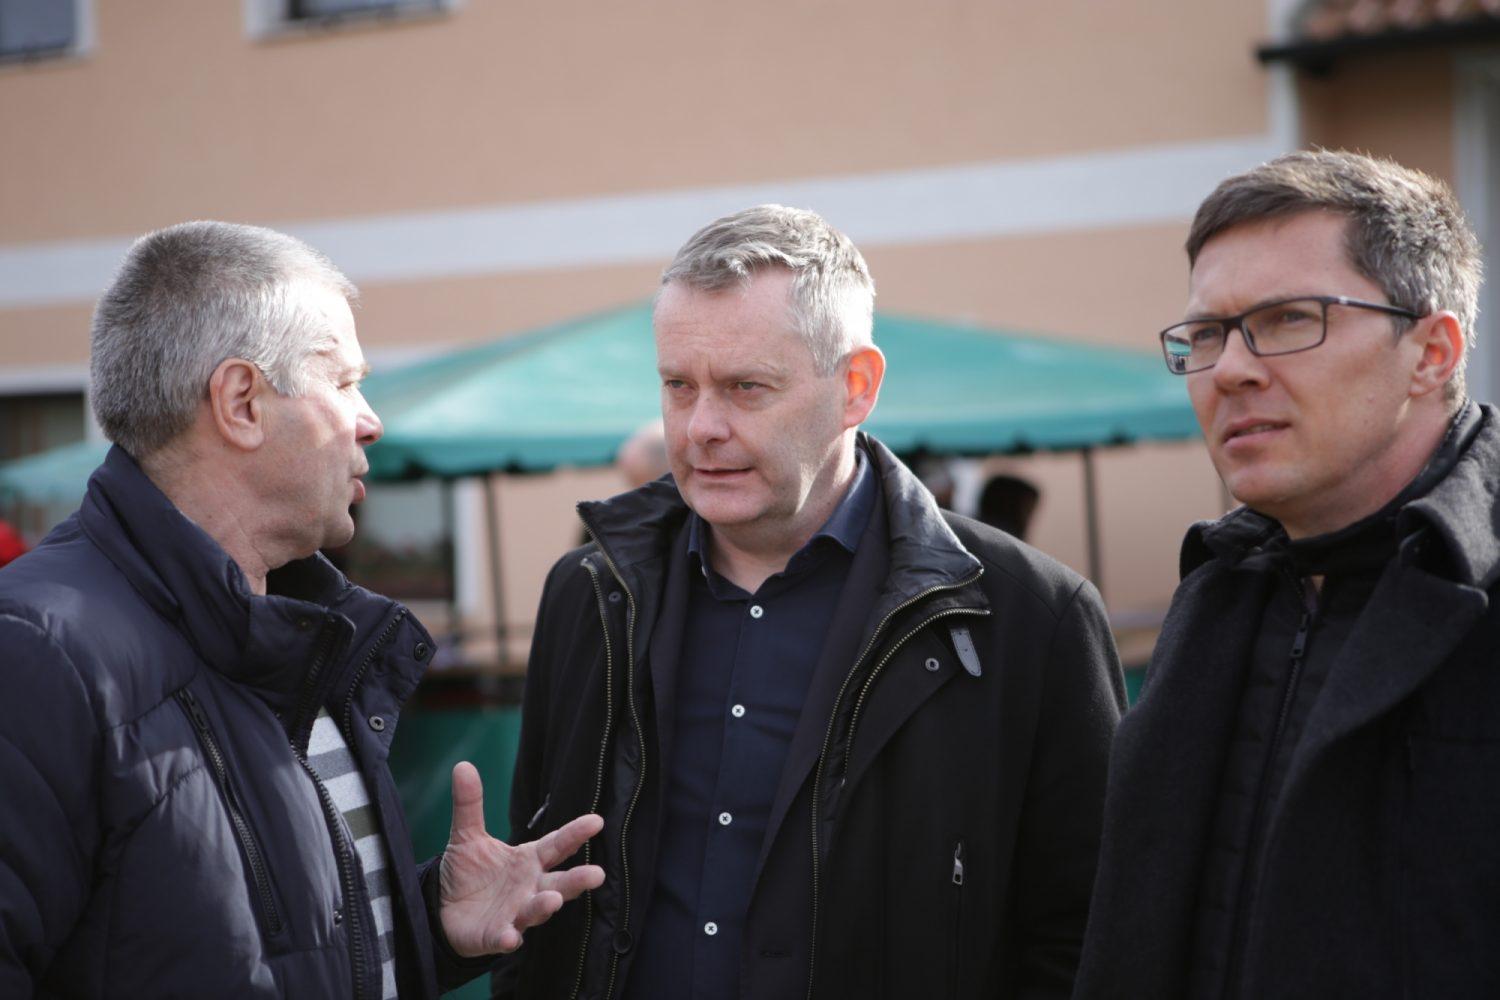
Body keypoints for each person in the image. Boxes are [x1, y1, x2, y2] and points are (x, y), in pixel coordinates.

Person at [499, 205, 1126, 999]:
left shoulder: (1030, 617)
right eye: (678, 385)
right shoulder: (587, 595)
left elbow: (1087, 934)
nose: (700, 427)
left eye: (746, 387)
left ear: (856, 387)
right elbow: (538, 894)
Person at [0, 221, 603, 998]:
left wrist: (422, 927)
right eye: (344, 382)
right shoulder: (38, 653)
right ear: (242, 403)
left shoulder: (302, 645)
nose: (370, 420)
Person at [1075, 150, 1498, 998]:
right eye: (1207, 334)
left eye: (1288, 319)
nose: (1230, 369)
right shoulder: (1217, 590)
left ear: (1431, 352)